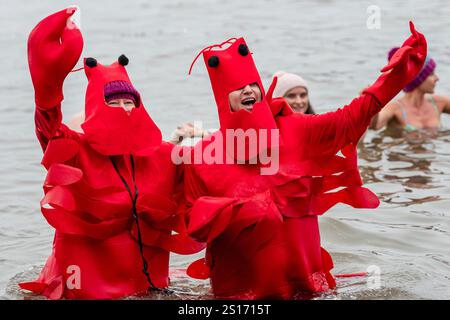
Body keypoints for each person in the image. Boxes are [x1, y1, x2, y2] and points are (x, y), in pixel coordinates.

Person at [183, 22, 426, 299]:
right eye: (240, 88)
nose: (249, 90)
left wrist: (395, 78)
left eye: (253, 84)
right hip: (238, 293)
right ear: (223, 99)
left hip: (305, 288)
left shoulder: (299, 130)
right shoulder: (203, 156)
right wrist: (239, 211)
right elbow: (193, 223)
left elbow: (349, 118)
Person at [19, 8, 202, 299]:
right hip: (86, 287)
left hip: (147, 286)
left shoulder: (164, 156)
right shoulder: (76, 152)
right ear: (96, 109)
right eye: (114, 103)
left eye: (131, 102)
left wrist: (207, 140)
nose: (126, 109)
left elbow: (211, 177)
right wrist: (48, 89)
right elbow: (48, 129)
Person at [370, 49, 450, 131]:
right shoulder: (395, 108)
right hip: (403, 143)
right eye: (431, 74)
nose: (437, 78)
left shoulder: (439, 102)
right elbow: (374, 126)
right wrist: (373, 102)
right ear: (416, 79)